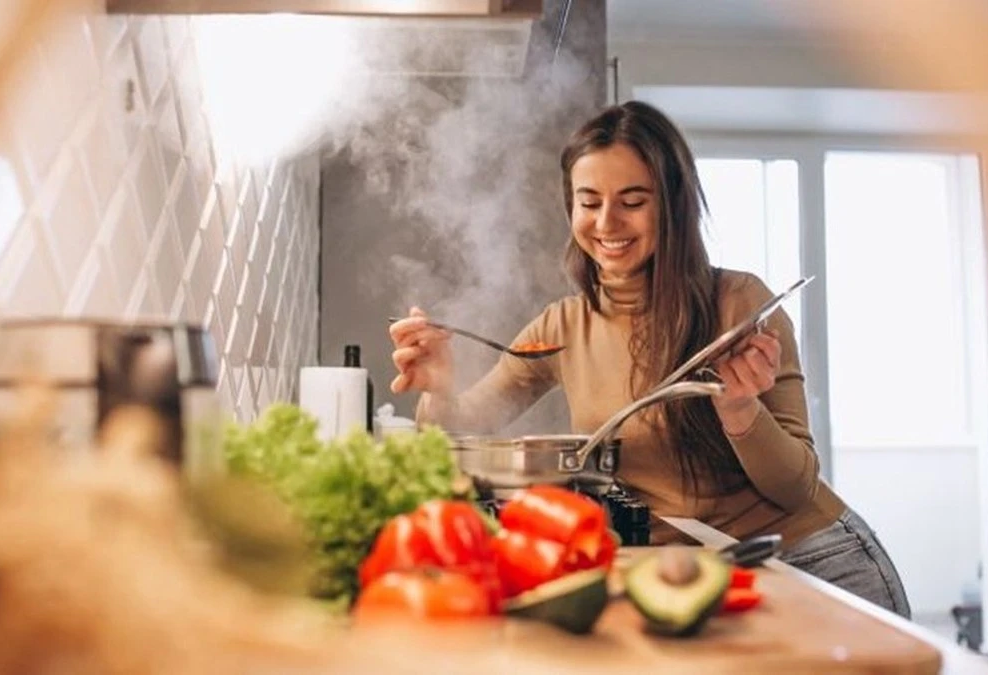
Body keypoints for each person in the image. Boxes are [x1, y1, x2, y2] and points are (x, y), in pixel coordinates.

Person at [387, 100, 911, 619]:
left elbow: (796, 489)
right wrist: (439, 386)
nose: (606, 222)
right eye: (589, 202)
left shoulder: (739, 303)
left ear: (673, 205)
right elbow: (463, 427)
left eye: (632, 201)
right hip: (694, 573)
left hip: (811, 561)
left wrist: (740, 410)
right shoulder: (562, 326)